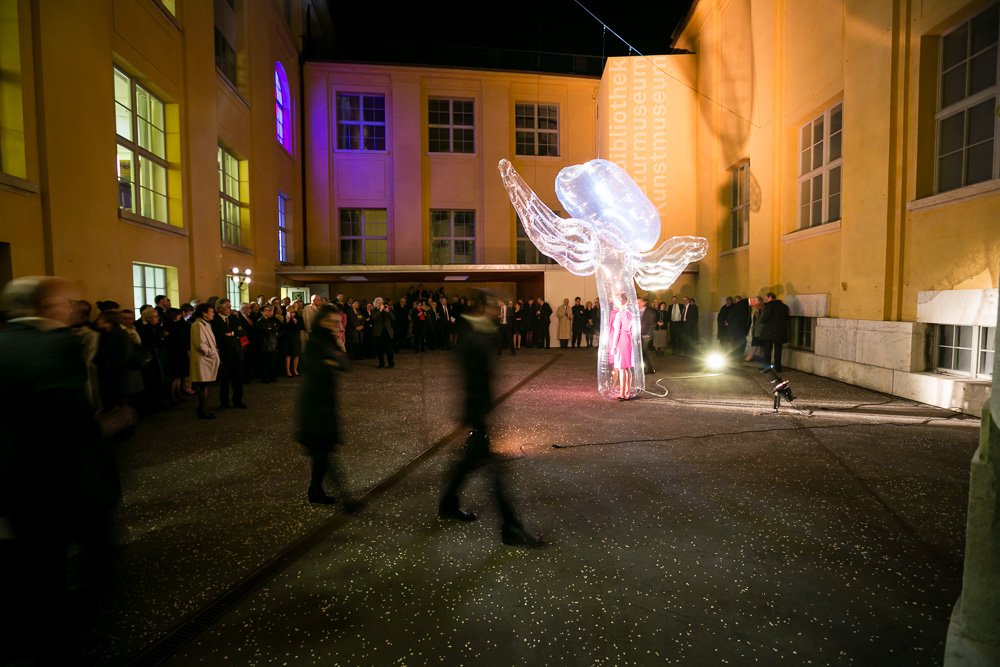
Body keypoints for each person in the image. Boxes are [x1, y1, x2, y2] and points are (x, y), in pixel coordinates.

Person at [0, 277, 109, 664]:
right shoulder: (55, 344)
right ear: (45, 306)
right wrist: (102, 430)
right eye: (65, 303)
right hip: (48, 482)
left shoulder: (5, 342)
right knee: (49, 577)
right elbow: (69, 418)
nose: (71, 309)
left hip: (11, 482)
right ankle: (58, 651)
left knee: (25, 574)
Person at [437, 293, 545, 548]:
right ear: (481, 309)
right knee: (495, 471)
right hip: (476, 409)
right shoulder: (471, 336)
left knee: (470, 461)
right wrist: (480, 411)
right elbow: (473, 377)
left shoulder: (477, 332)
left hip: (478, 410)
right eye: (492, 308)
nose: (496, 313)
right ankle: (511, 528)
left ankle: (448, 504)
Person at [296, 304, 360, 508]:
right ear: (321, 321)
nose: (335, 325)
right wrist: (333, 360)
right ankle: (346, 499)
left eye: (337, 321)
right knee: (323, 454)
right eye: (331, 321)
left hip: (325, 403)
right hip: (313, 405)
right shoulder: (315, 341)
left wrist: (331, 360)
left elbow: (345, 364)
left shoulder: (329, 340)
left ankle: (315, 490)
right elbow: (316, 368)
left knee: (322, 455)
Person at [190, 302, 220, 419]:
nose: (213, 314)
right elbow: (200, 344)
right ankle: (201, 409)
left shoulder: (205, 324)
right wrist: (211, 352)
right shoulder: (198, 325)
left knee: (206, 385)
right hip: (203, 360)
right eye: (211, 312)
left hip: (207, 359)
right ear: (204, 313)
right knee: (204, 385)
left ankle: (203, 408)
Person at [609, 292, 634, 400]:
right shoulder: (629, 314)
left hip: (621, 341)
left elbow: (616, 333)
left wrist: (613, 346)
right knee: (627, 368)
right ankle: (627, 392)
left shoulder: (619, 314)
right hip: (628, 340)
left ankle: (622, 393)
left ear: (620, 301)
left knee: (621, 368)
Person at [759, 292, 790, 371]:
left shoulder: (769, 306)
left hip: (770, 331)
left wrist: (761, 317)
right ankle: (778, 366)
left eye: (766, 297)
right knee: (778, 350)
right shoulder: (784, 306)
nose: (765, 299)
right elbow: (786, 318)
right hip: (780, 331)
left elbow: (765, 318)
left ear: (769, 297)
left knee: (767, 350)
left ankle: (766, 366)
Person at [255, 305, 281, 382]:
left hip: (272, 342)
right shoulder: (260, 321)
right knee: (265, 361)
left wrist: (272, 329)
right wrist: (273, 330)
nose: (268, 312)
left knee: (272, 361)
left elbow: (277, 327)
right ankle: (264, 377)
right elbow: (266, 331)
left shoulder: (271, 320)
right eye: (266, 310)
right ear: (262, 312)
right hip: (265, 343)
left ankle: (272, 376)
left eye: (269, 310)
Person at [371, 297, 395, 368]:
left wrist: (388, 311)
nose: (380, 304)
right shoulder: (374, 310)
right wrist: (380, 311)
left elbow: (393, 318)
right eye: (378, 303)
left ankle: (391, 363)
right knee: (379, 349)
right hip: (379, 332)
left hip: (387, 332)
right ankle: (381, 363)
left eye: (381, 302)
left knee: (389, 349)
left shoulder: (386, 309)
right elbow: (373, 318)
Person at [283, 302, 304, 376]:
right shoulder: (285, 318)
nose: (291, 314)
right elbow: (282, 328)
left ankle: (295, 370)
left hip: (296, 338)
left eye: (293, 312)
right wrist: (287, 321)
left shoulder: (299, 318)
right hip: (287, 338)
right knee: (288, 354)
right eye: (290, 312)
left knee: (296, 354)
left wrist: (296, 323)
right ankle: (288, 370)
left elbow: (301, 327)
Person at [638, 297, 656, 374]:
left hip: (646, 335)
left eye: (639, 303)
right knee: (645, 352)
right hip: (640, 334)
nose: (638, 304)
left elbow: (652, 323)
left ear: (643, 303)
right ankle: (650, 368)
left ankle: (638, 369)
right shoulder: (637, 312)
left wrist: (648, 334)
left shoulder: (649, 311)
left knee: (641, 351)